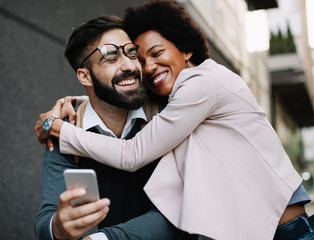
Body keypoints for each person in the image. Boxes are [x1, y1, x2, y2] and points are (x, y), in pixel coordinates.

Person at [37, 1, 314, 239]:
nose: (145, 67)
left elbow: (132, 155)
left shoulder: (198, 86)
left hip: (289, 232)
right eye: (140, 57)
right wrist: (72, 103)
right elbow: (45, 220)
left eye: (151, 53)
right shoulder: (170, 102)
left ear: (187, 49)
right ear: (84, 76)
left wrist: (56, 127)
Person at [34, 15, 195, 240]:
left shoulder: (171, 110)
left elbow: (180, 211)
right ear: (85, 76)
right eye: (111, 56)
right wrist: (59, 226)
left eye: (131, 52)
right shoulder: (66, 131)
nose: (130, 65)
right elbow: (45, 223)